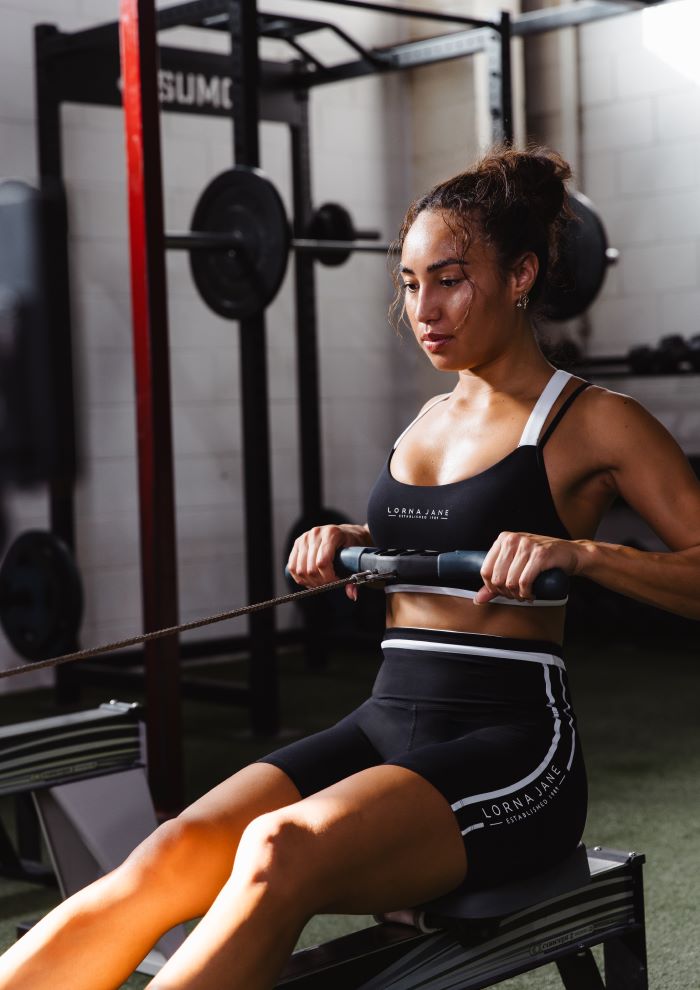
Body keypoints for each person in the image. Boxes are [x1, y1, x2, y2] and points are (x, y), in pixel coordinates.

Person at [1, 146, 699, 990]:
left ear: (522, 274)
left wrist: (582, 552)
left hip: (513, 746)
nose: (425, 310)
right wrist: (351, 536)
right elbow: (443, 527)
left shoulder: (593, 421)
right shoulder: (428, 418)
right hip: (386, 719)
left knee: (277, 850)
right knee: (172, 851)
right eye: (409, 285)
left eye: (449, 279)